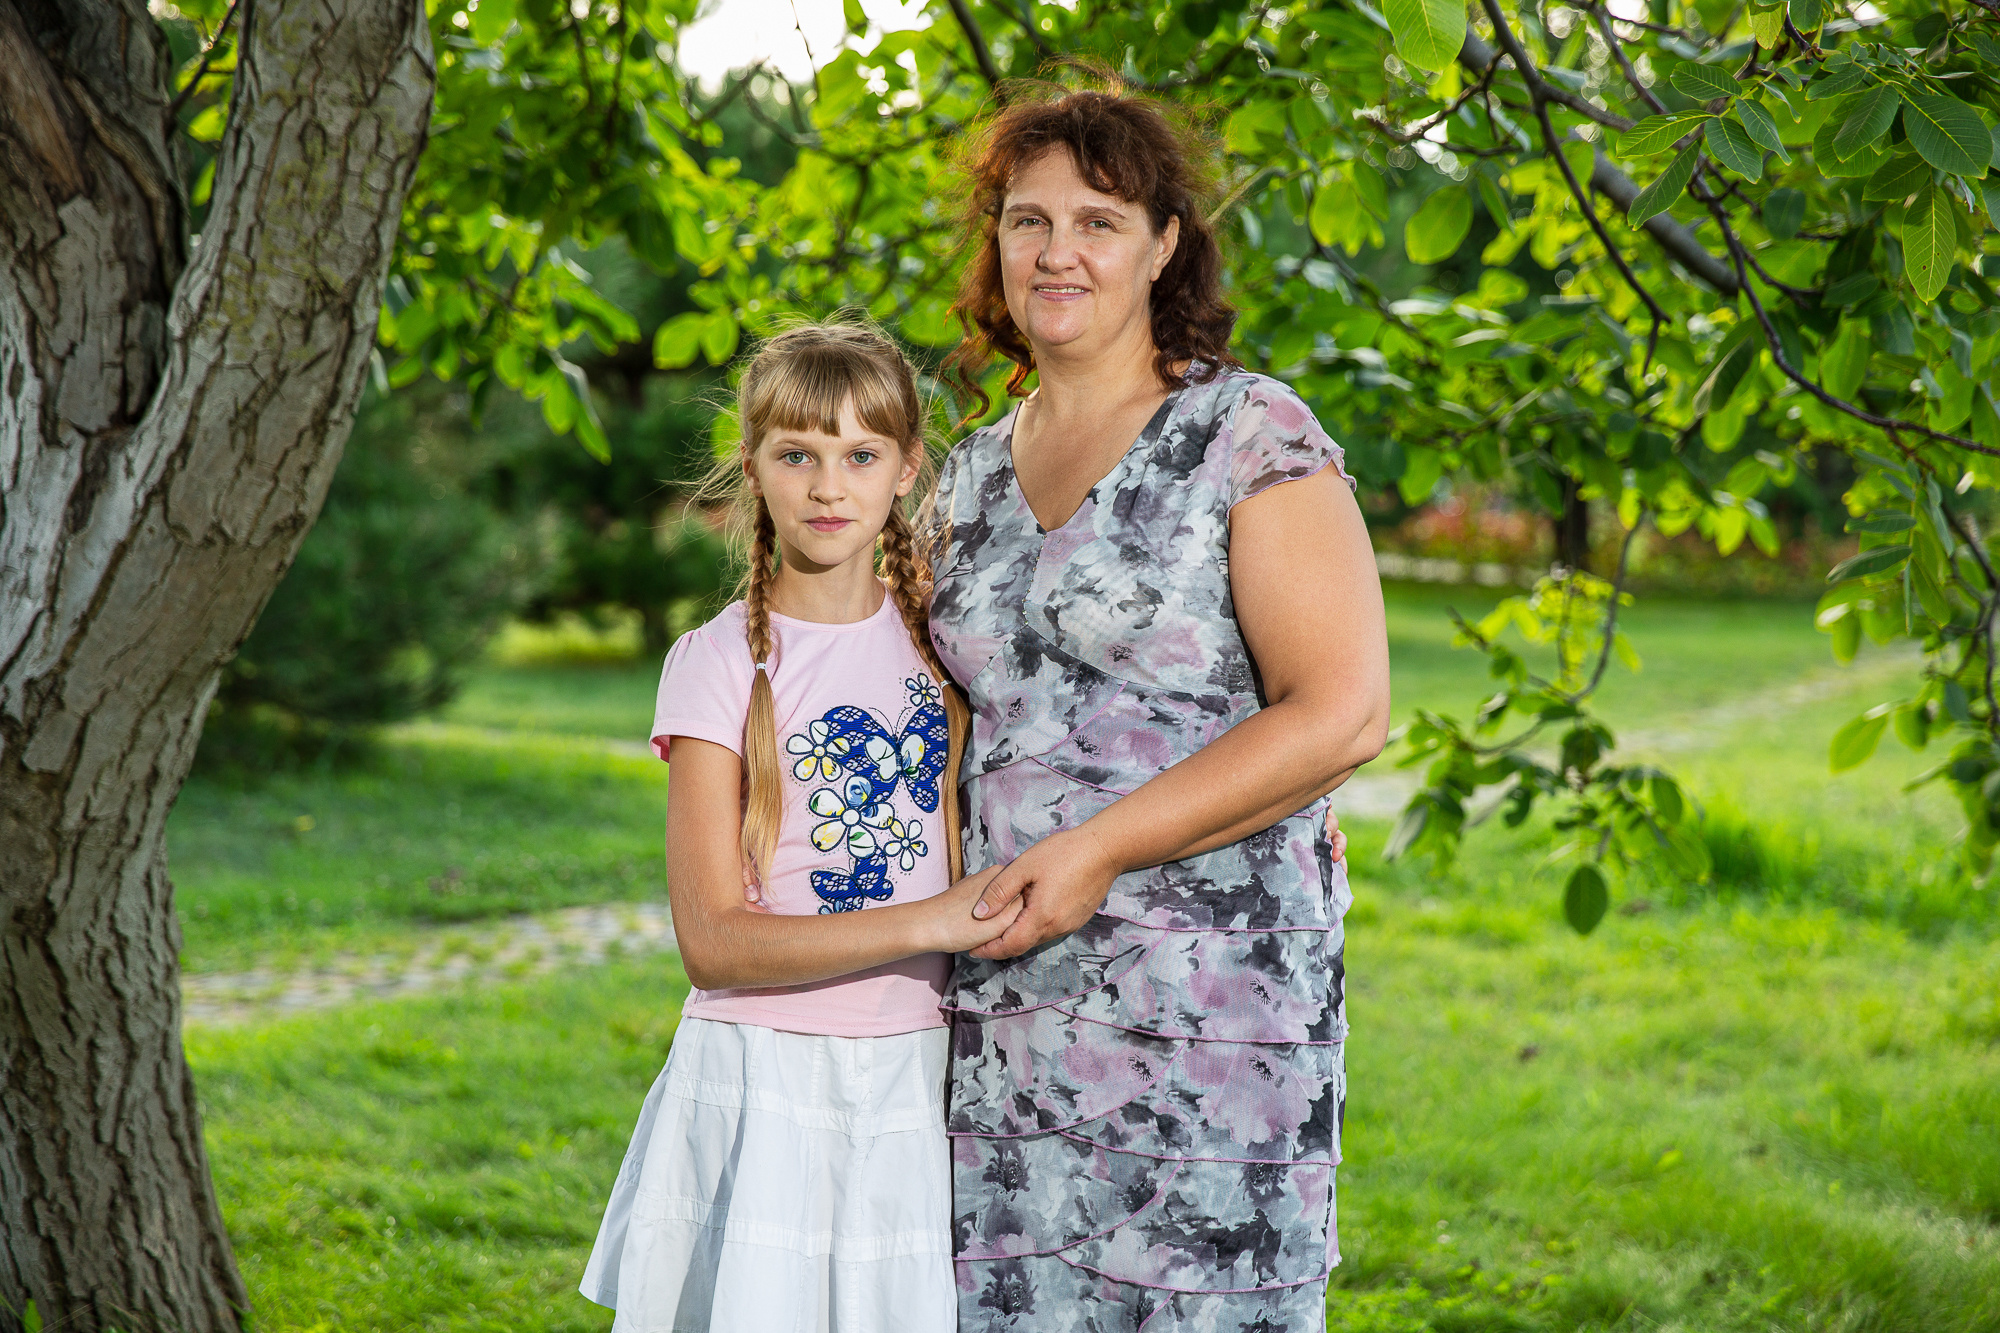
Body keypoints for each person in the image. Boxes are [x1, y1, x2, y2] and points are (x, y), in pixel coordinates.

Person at [927, 89, 1392, 1331]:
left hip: (1209, 1009)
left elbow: (1342, 712)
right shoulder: (962, 472)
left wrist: (1100, 845)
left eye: (1097, 218)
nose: (1056, 252)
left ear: (1163, 242)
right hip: (1004, 1005)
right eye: (1026, 220)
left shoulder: (1246, 434)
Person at [580, 320, 1021, 1333]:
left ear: (907, 470)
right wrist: (932, 921)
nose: (830, 488)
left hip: (912, 1080)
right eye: (798, 455)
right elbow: (713, 943)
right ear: (753, 466)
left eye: (860, 455)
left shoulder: (944, 645)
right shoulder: (717, 664)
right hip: (761, 1079)